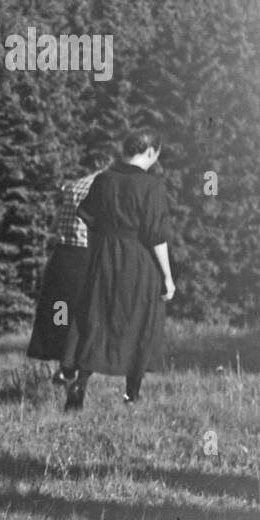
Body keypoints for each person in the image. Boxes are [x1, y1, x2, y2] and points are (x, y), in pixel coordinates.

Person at [60, 130, 174, 410]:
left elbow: (88, 218)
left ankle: (80, 384)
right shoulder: (152, 186)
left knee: (96, 320)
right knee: (140, 323)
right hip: (139, 263)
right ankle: (130, 396)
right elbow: (156, 236)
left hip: (104, 259)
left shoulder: (103, 179)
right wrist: (168, 277)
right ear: (150, 152)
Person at [26, 157, 109, 384]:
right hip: (86, 256)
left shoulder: (73, 186)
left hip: (62, 256)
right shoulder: (104, 188)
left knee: (61, 312)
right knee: (85, 315)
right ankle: (71, 368)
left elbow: (55, 225)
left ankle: (64, 365)